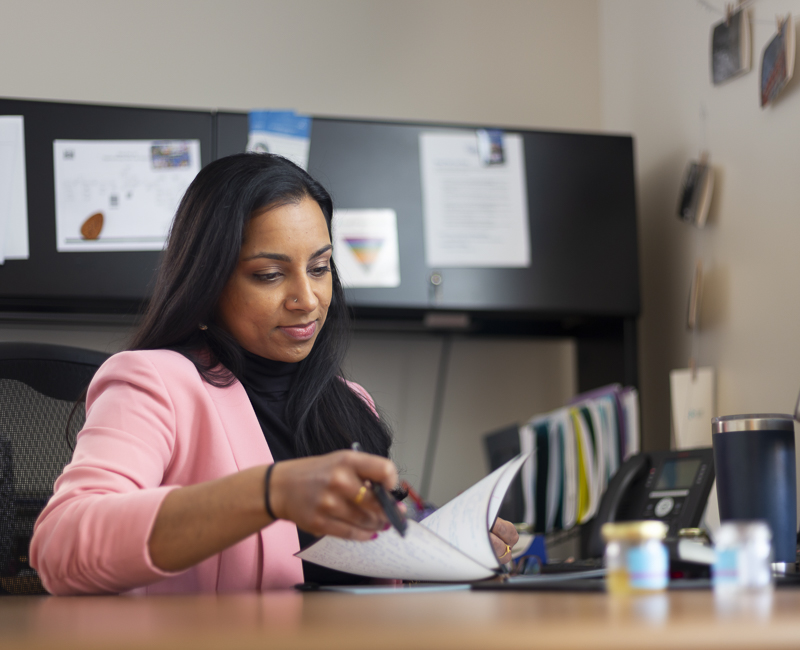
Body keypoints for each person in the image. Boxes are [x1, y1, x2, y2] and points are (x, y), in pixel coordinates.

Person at [30, 153, 519, 595]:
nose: (306, 298)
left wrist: (437, 553)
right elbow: (61, 546)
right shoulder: (153, 383)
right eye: (269, 274)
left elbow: (359, 580)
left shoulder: (350, 404)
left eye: (321, 267)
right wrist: (270, 493)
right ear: (207, 283)